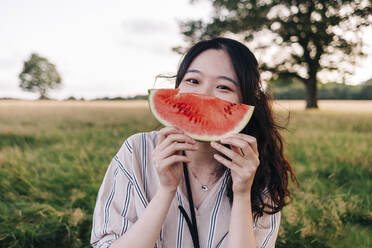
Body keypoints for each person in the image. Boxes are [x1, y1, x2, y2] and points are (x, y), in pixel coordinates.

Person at [90, 37, 297, 248]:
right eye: (193, 81)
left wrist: (242, 193)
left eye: (223, 87)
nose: (203, 95)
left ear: (245, 103)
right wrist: (166, 191)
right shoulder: (136, 150)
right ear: (177, 87)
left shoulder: (258, 168)